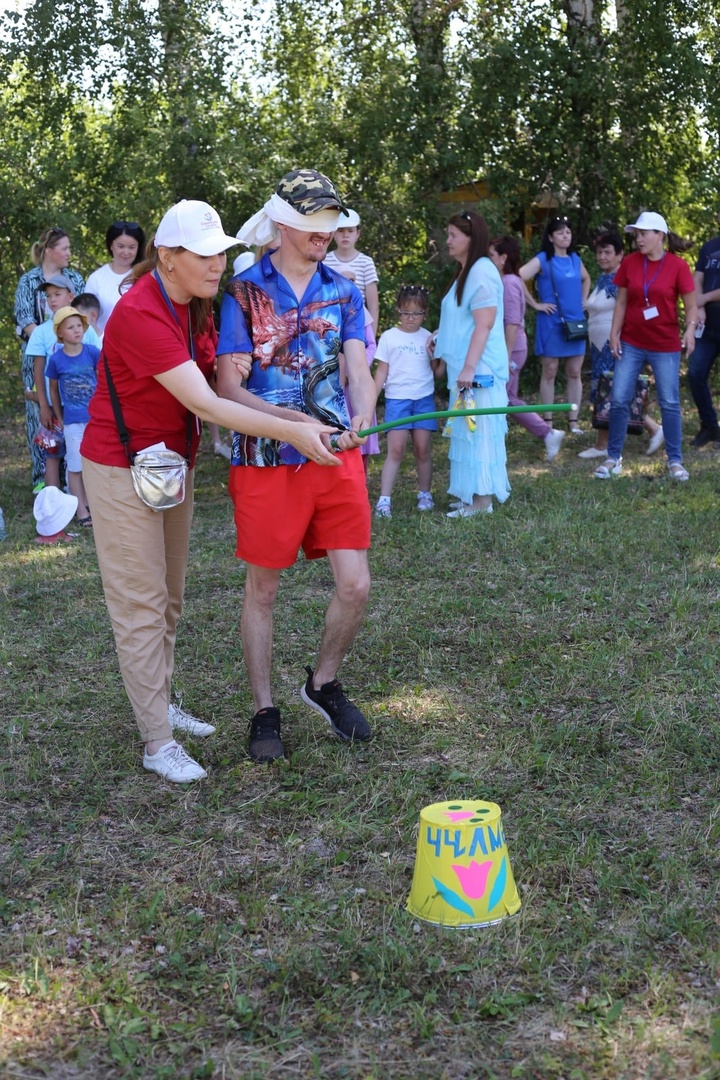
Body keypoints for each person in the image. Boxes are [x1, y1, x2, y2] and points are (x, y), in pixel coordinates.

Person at [80, 199, 341, 784]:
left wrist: (294, 411)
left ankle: (159, 700)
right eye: (203, 254)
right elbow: (206, 403)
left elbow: (224, 382)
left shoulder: (196, 305)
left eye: (220, 252)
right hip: (121, 467)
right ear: (167, 258)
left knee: (168, 598)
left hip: (171, 465)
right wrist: (294, 431)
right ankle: (156, 740)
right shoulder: (139, 312)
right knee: (140, 606)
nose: (217, 263)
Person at [217, 168, 377, 764]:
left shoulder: (345, 291)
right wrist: (293, 426)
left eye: (331, 220)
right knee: (263, 588)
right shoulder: (242, 293)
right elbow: (228, 388)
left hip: (336, 454)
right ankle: (264, 710)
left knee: (355, 585)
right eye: (314, 221)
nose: (325, 231)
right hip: (267, 459)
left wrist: (363, 413)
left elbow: (358, 369)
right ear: (282, 223)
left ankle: (323, 683)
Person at [592, 211, 697, 481]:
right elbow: (622, 302)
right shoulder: (629, 262)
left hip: (665, 344)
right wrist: (614, 333)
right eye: (636, 234)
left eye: (643, 234)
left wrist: (690, 330)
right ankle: (613, 458)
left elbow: (690, 304)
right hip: (632, 341)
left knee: (670, 402)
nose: (638, 239)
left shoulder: (678, 266)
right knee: (619, 398)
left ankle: (675, 461)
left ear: (659, 235)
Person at [434, 210, 510, 517]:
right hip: (465, 367)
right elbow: (462, 321)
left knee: (479, 431)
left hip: (479, 368)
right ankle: (471, 494)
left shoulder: (481, 271)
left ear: (471, 238)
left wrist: (469, 367)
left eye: (453, 235)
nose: (448, 241)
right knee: (467, 431)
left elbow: (484, 324)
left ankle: (482, 501)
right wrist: (439, 337)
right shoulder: (465, 272)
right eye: (448, 234)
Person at [580, 231, 664, 459]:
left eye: (607, 252)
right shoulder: (602, 278)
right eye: (599, 252)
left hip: (614, 343)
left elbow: (633, 307)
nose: (602, 256)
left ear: (620, 255)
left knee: (611, 391)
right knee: (606, 390)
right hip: (598, 345)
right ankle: (610, 440)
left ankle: (607, 443)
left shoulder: (623, 279)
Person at [13, 227, 85, 491]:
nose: (69, 253)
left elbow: (82, 312)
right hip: (39, 358)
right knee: (41, 417)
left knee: (70, 414)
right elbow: (24, 318)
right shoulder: (29, 281)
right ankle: (43, 480)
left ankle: (73, 479)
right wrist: (51, 343)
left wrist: (69, 345)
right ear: (49, 251)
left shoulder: (74, 279)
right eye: (64, 248)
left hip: (72, 358)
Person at [489, 236, 564, 462]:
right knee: (507, 398)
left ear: (503, 258)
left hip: (512, 349)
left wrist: (505, 356)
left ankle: (547, 433)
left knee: (503, 398)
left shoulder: (509, 283)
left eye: (491, 255)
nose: (488, 259)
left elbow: (512, 322)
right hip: (511, 348)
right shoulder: (509, 280)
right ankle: (547, 434)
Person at [25, 276, 101, 490]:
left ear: (70, 296)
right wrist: (44, 406)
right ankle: (53, 500)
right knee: (53, 452)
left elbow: (98, 368)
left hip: (85, 409)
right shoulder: (41, 332)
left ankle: (83, 498)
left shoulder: (84, 330)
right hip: (53, 405)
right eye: (48, 296)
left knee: (85, 453)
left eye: (57, 294)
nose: (52, 300)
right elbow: (39, 371)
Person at [520, 215, 591, 433]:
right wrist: (536, 304)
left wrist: (584, 300)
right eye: (560, 232)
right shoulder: (543, 259)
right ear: (551, 237)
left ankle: (573, 422)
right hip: (551, 322)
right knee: (550, 370)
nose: (565, 235)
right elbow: (519, 276)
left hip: (575, 321)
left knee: (574, 371)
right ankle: (548, 422)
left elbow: (586, 278)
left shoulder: (575, 259)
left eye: (568, 232)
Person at [373, 285, 439, 516]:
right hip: (397, 400)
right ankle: (384, 500)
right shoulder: (389, 337)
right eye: (406, 313)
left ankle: (425, 494)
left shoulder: (428, 337)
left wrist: (441, 353)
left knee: (422, 449)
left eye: (417, 313)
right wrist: (371, 399)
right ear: (399, 311)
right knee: (396, 449)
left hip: (423, 400)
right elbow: (382, 371)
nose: (411, 318)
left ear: (425, 313)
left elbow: (438, 372)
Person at [47, 307, 100, 527]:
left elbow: (103, 381)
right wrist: (59, 416)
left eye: (79, 325)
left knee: (96, 463)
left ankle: (95, 504)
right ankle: (81, 509)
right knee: (76, 464)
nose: (77, 330)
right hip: (73, 422)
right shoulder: (55, 360)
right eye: (70, 327)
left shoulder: (93, 352)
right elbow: (53, 390)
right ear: (60, 333)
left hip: (96, 419)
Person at [688, 211, 720, 446]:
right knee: (696, 373)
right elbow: (697, 278)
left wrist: (703, 299)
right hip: (708, 325)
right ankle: (710, 426)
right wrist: (698, 307)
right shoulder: (709, 247)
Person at [323, 209, 380, 330]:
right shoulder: (324, 261)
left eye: (350, 231)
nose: (345, 235)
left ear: (357, 233)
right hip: (330, 323)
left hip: (358, 324)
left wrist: (372, 336)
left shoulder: (366, 262)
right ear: (333, 233)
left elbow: (373, 306)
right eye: (340, 230)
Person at [85, 221, 146, 333]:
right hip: (103, 342)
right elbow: (85, 319)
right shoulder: (96, 279)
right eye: (120, 246)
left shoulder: (145, 277)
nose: (126, 252)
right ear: (111, 245)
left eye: (132, 247)